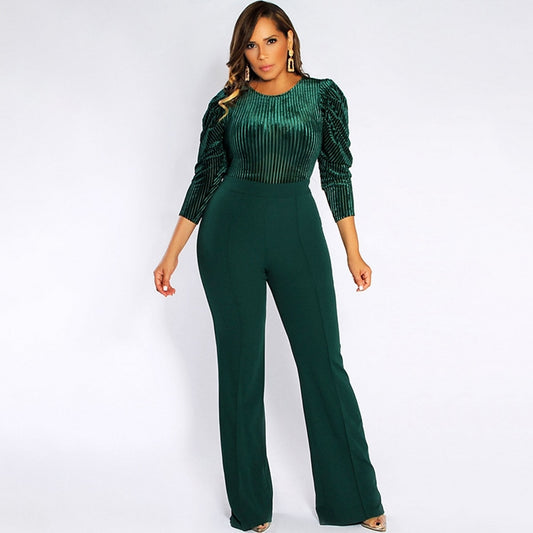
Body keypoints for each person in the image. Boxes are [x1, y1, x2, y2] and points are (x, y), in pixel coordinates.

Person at [154, 2, 387, 531]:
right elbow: (205, 178)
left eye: (270, 41)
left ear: (290, 39)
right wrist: (172, 252)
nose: (261, 54)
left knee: (323, 363)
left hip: (296, 231)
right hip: (229, 234)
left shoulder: (323, 96)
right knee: (241, 370)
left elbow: (337, 174)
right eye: (251, 44)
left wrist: (352, 251)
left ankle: (355, 500)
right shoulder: (228, 103)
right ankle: (252, 508)